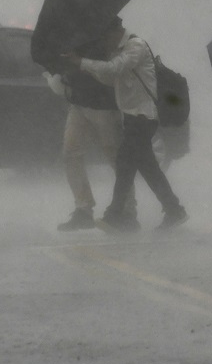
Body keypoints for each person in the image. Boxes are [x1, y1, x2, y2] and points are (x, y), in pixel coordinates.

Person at [64, 18, 188, 232]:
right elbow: (112, 79)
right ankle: (174, 210)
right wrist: (88, 70)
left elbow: (115, 68)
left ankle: (115, 214)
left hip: (143, 116)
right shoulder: (120, 51)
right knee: (147, 168)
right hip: (132, 117)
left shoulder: (135, 46)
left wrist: (82, 62)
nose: (104, 44)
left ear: (116, 32)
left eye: (106, 38)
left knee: (125, 165)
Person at [44, 40, 136, 231]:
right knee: (70, 153)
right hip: (78, 102)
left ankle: (128, 211)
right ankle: (83, 209)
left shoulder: (97, 37)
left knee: (115, 156)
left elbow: (109, 72)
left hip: (102, 104)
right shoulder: (69, 35)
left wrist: (81, 62)